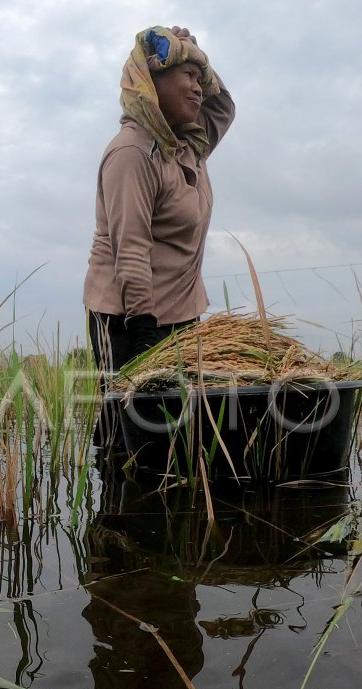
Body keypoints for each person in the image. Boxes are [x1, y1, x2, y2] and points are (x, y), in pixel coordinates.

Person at [83, 26, 235, 447]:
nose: (198, 86)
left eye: (199, 76)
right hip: (129, 317)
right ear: (152, 84)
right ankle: (111, 501)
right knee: (131, 435)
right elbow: (129, 251)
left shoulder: (189, 145)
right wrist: (145, 341)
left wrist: (198, 55)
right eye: (186, 75)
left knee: (177, 435)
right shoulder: (133, 152)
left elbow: (224, 106)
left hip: (180, 314)